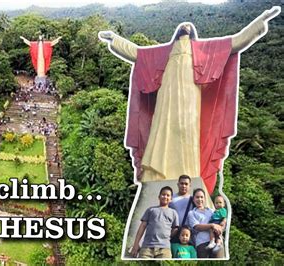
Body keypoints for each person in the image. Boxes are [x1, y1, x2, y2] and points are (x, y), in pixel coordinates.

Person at [98, 7, 280, 195]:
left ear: (193, 35)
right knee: (161, 128)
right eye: (182, 26)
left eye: (188, 27)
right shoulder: (163, 53)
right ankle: (157, 174)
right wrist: (114, 38)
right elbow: (136, 52)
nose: (185, 26)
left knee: (188, 135)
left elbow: (237, 42)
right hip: (166, 98)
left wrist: (262, 20)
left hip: (190, 100)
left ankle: (187, 177)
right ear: (176, 34)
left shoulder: (204, 50)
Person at [131, 186, 179, 258]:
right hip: (147, 248)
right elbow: (142, 227)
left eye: (168, 195)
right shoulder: (151, 210)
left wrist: (167, 236)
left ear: (171, 199)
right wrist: (135, 244)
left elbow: (175, 229)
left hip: (164, 249)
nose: (165, 197)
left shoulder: (173, 213)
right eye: (163, 194)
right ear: (159, 196)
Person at [187, 188, 224, 258]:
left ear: (204, 199)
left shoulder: (212, 211)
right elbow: (197, 227)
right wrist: (212, 225)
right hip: (202, 243)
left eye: (201, 197)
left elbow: (221, 221)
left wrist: (222, 226)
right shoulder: (192, 213)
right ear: (193, 199)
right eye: (197, 197)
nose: (199, 199)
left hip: (217, 242)